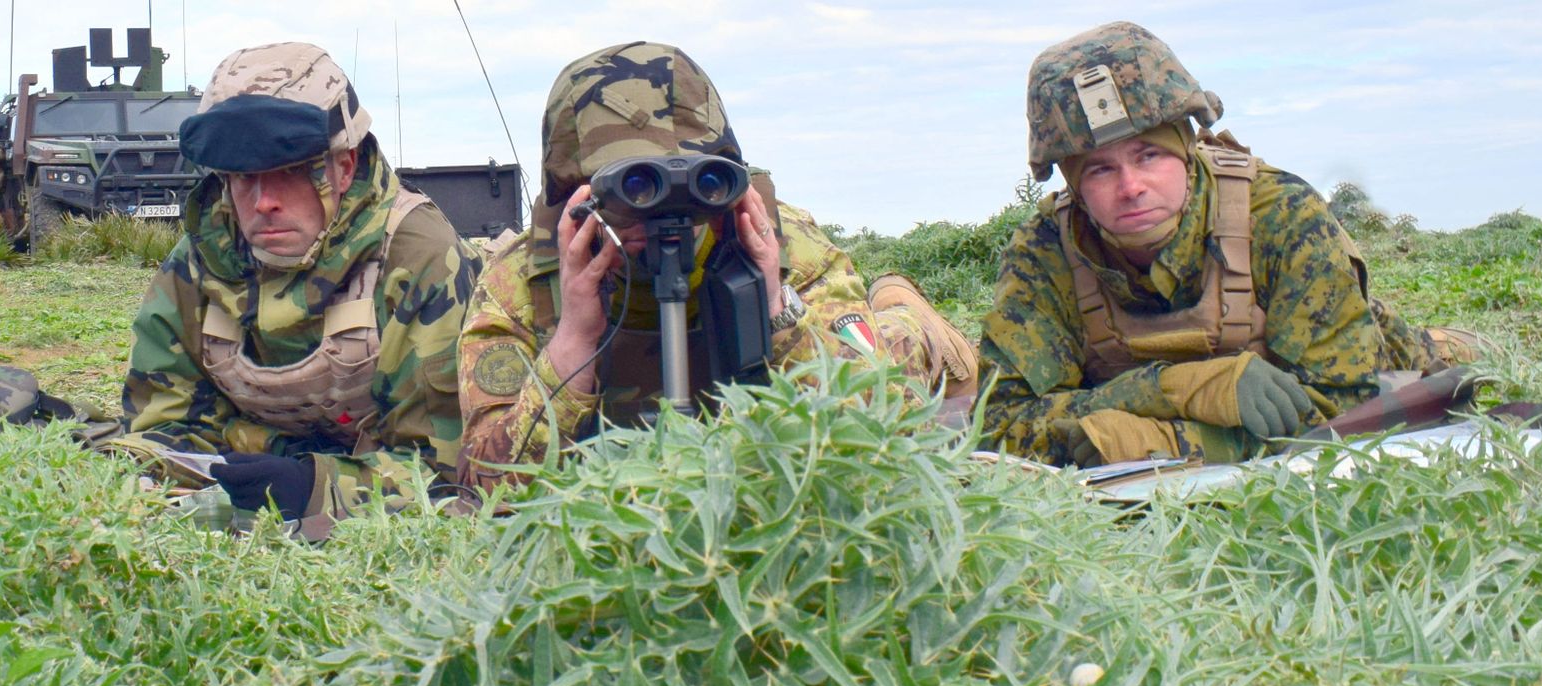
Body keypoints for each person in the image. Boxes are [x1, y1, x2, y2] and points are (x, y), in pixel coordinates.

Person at [456, 41, 975, 489]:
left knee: (902, 344)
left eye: (689, 184)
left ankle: (908, 307)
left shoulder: (781, 242)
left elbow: (877, 433)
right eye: (635, 187)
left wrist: (774, 309)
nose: (662, 214)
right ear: (576, 193)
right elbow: (488, 483)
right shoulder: (522, 280)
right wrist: (571, 343)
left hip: (889, 340)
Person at [979, 22, 1482, 468]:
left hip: (1364, 347)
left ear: (1187, 148)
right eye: (1101, 169)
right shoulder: (1045, 250)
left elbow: (1347, 405)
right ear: (1073, 182)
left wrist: (1177, 443)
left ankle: (1449, 337)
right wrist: (1168, 389)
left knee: (1429, 363)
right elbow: (1001, 425)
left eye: (1149, 155)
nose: (1130, 186)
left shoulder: (1280, 214)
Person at [106, 42, 480, 533]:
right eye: (243, 178)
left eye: (287, 174)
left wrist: (315, 488)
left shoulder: (417, 257)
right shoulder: (200, 261)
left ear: (343, 168)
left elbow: (445, 470)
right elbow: (163, 428)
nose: (264, 203)